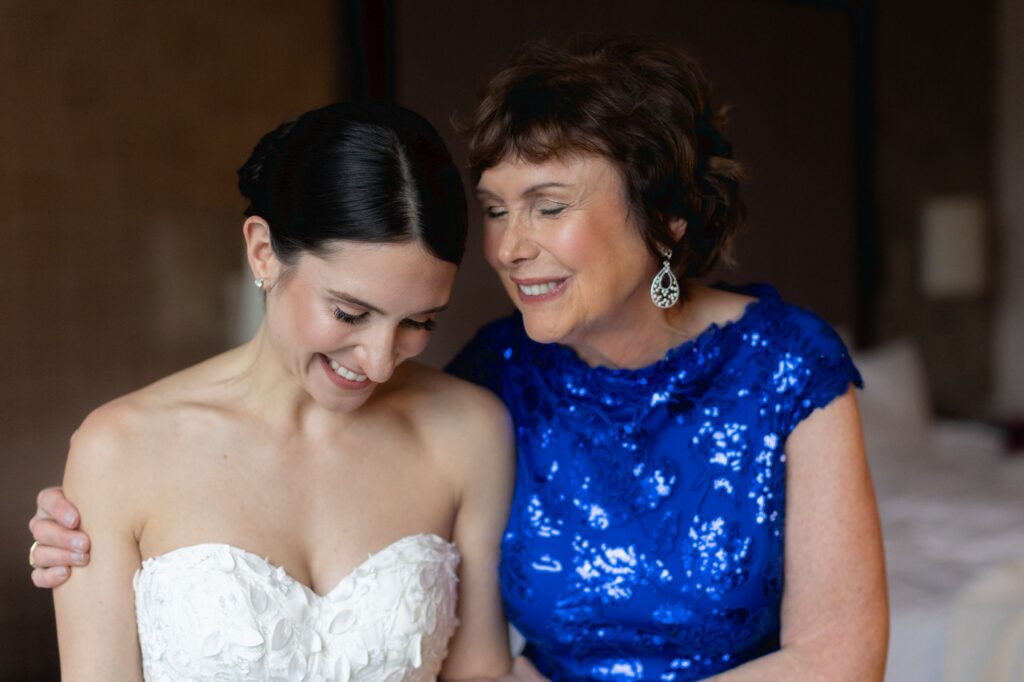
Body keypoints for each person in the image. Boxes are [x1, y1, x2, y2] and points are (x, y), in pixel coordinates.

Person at [30, 38, 889, 681]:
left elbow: (843, 653)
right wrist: (88, 531)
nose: (512, 248)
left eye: (549, 206)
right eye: (495, 210)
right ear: (263, 251)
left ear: (665, 220)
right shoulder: (497, 377)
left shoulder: (778, 365)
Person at [35, 101, 517, 681]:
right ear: (263, 252)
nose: (381, 362)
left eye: (419, 323)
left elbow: (480, 674)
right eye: (349, 312)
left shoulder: (469, 431)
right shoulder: (118, 450)